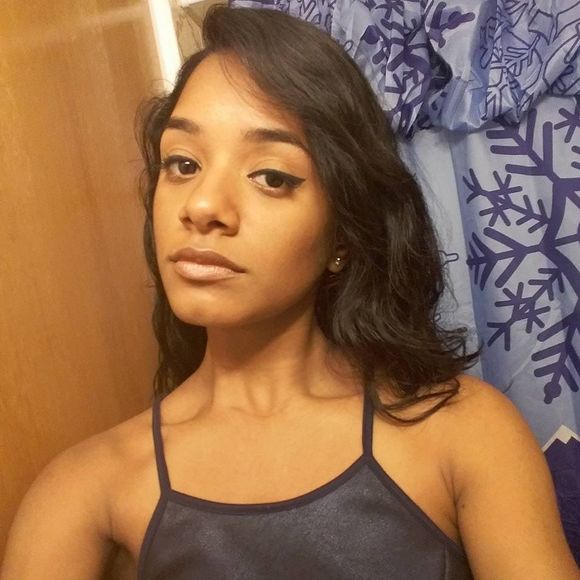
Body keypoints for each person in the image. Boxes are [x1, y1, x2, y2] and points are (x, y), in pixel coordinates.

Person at [2, 5, 578, 579]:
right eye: (182, 164)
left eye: (271, 177)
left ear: (343, 233)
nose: (202, 205)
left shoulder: (466, 432)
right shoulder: (84, 491)